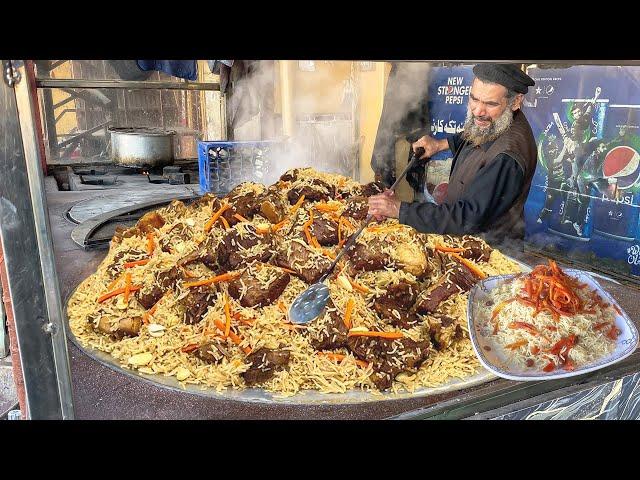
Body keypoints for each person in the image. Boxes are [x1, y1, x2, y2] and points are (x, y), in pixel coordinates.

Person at [368, 63, 538, 241]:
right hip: (463, 238)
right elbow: (473, 135)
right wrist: (440, 144)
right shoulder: (495, 122)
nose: (478, 111)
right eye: (474, 99)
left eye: (490, 103)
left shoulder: (508, 155)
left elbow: (467, 218)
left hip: (490, 250)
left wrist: (399, 209)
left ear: (516, 102)